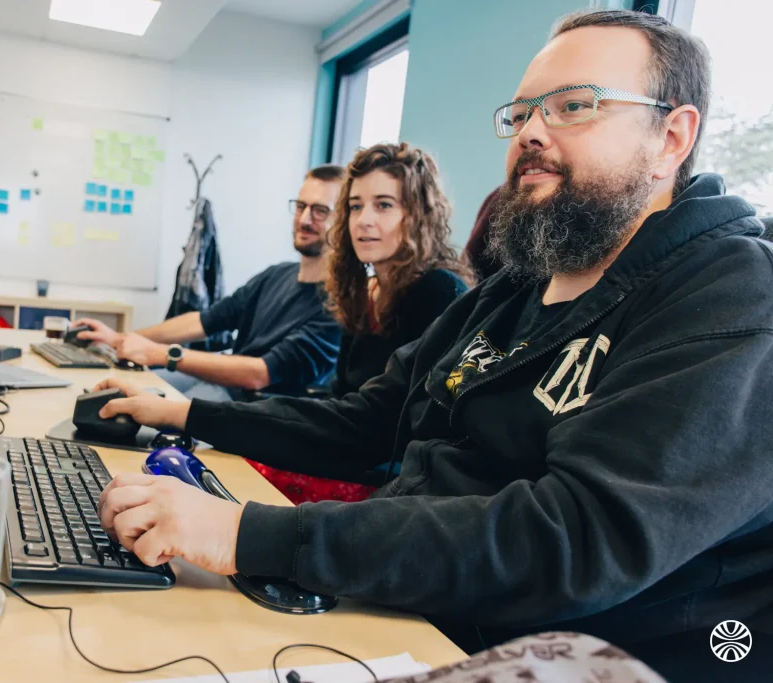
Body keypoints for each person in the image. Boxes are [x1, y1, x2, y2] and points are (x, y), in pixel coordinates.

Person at [89, 10, 773, 680]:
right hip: (421, 609)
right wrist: (180, 413)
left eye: (572, 105)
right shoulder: (521, 283)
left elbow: (576, 539)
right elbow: (369, 419)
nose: (531, 131)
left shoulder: (733, 294)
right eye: (523, 112)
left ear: (671, 137)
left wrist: (248, 536)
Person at [246, 142, 473, 504]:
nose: (364, 220)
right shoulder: (364, 290)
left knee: (246, 471)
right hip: (350, 454)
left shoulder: (440, 290)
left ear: (417, 214)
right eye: (355, 206)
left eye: (384, 205)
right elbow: (341, 398)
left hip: (392, 483)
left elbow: (396, 429)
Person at [74, 165, 345, 401]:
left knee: (139, 414)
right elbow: (203, 322)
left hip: (252, 408)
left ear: (343, 221)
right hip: (218, 386)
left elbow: (259, 374)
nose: (305, 218)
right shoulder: (276, 275)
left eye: (320, 211)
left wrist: (162, 354)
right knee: (108, 391)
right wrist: (120, 338)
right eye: (300, 207)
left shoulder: (337, 307)